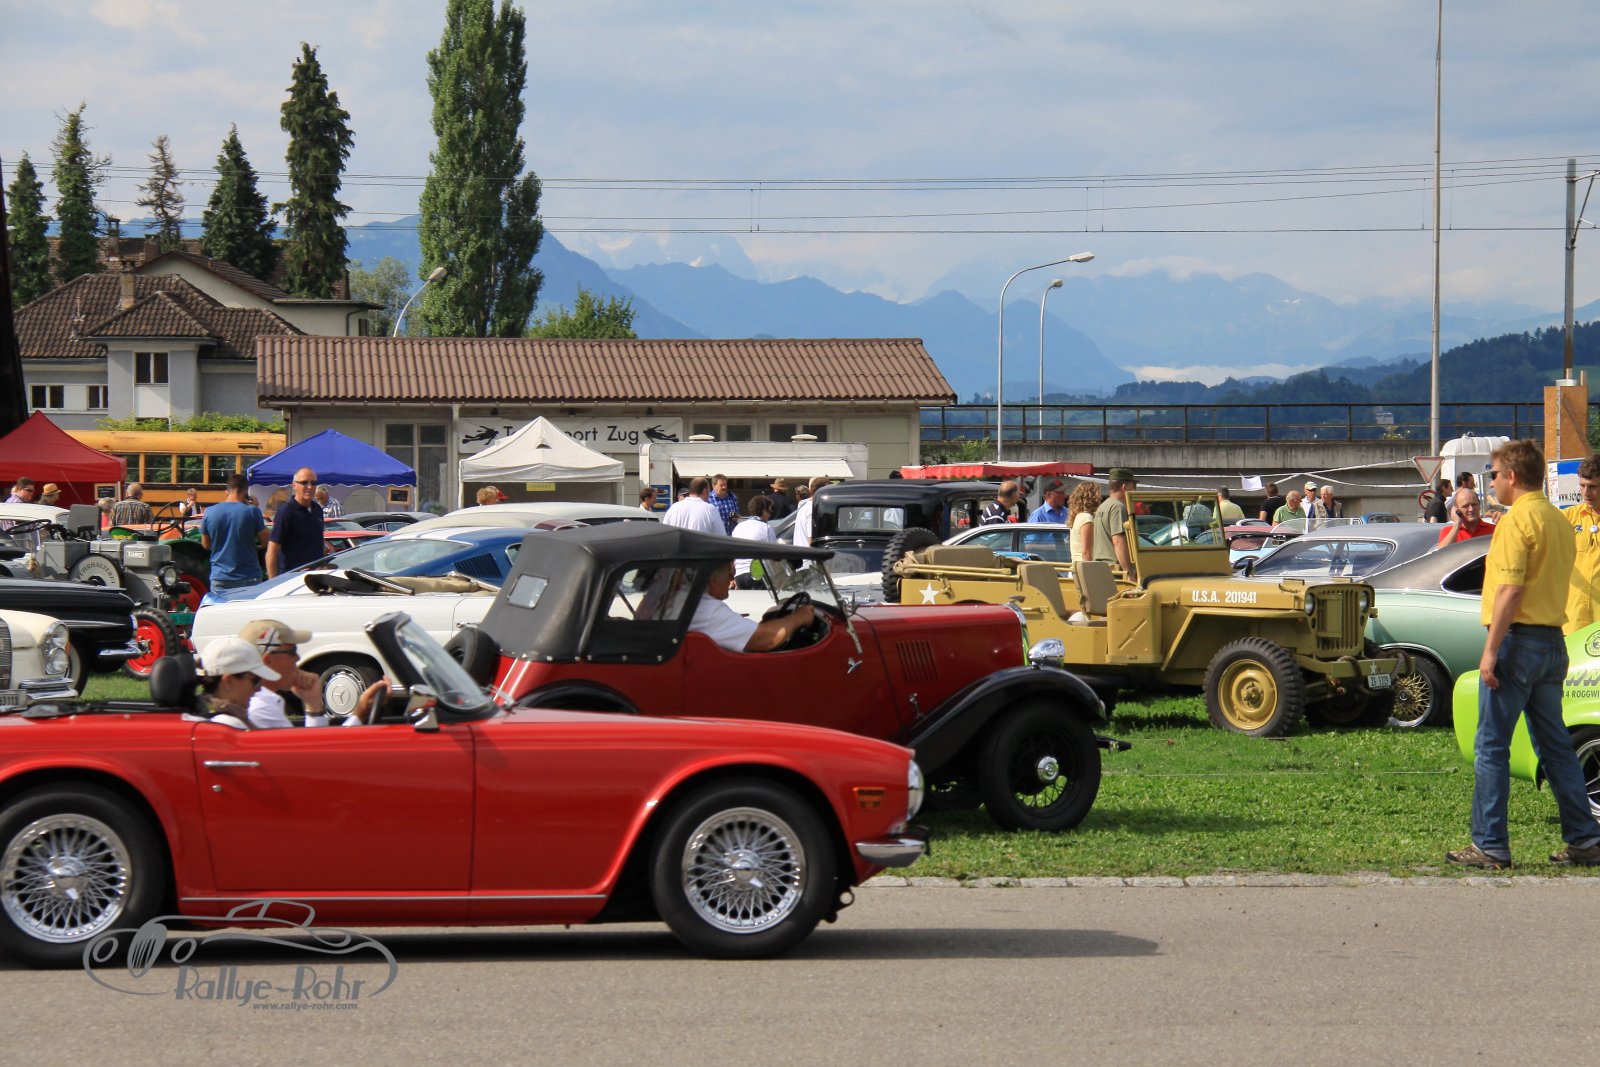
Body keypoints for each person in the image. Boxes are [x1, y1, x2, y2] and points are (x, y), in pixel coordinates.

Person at [1447, 439, 1600, 869]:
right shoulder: (1558, 519)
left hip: (1518, 642)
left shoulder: (1517, 521)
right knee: (1556, 747)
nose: (1492, 482)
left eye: (1494, 474)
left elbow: (1510, 591)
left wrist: (1490, 650)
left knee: (1491, 745)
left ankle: (1490, 844)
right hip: (1553, 640)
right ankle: (1586, 839)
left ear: (1511, 476)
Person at [237, 619, 385, 728]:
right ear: (268, 660)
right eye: (292, 651)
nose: (297, 658)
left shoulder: (263, 703)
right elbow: (316, 757)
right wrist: (360, 712)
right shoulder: (262, 709)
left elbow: (311, 749)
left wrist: (313, 704)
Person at [691, 560, 816, 652]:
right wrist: (799, 617)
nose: (732, 577)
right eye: (730, 572)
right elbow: (768, 638)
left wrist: (732, 620)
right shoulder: (709, 610)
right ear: (713, 580)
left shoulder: (700, 605)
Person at [195, 636, 281, 729]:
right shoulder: (230, 725)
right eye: (255, 680)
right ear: (228, 682)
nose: (259, 689)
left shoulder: (203, 715)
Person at [201, 474, 269, 590]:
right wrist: (256, 507)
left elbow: (206, 544)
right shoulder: (252, 511)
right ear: (245, 492)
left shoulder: (209, 512)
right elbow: (265, 541)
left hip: (220, 576)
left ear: (227, 491)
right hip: (248, 576)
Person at [266, 467, 326, 577]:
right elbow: (271, 552)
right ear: (294, 485)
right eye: (304, 483)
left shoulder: (317, 509)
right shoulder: (286, 512)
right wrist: (273, 583)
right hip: (293, 578)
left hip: (317, 577)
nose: (309, 487)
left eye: (313, 483)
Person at [1564, 454, 1600, 635]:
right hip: (1573, 622)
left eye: (1592, 487)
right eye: (1582, 485)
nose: (1586, 492)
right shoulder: (1569, 517)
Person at [1092, 468, 1137, 579]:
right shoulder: (1118, 507)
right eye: (1133, 486)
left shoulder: (1103, 506)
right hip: (1116, 571)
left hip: (1101, 568)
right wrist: (1129, 573)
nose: (1134, 490)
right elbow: (1118, 541)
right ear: (1124, 487)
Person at [731, 495, 778, 589]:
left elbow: (733, 555)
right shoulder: (766, 528)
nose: (770, 514)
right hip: (758, 576)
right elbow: (774, 557)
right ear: (764, 511)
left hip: (739, 576)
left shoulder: (738, 527)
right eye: (770, 510)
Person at [1067, 481, 1102, 563]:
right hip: (1083, 566)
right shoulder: (1087, 518)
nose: (1100, 498)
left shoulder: (1078, 516)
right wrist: (1089, 569)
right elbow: (1086, 552)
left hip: (1077, 565)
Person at [792, 476, 829, 547]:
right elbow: (812, 541)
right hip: (808, 553)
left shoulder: (804, 508)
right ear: (821, 492)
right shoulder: (812, 511)